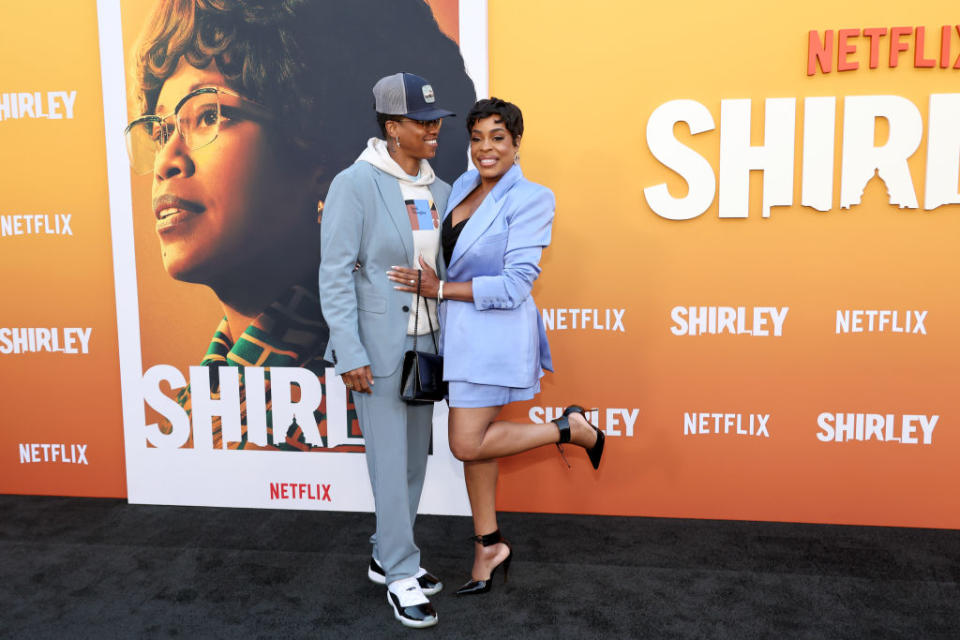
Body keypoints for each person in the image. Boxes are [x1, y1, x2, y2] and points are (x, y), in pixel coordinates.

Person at [123, 0, 474, 450]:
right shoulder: (200, 405)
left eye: (209, 115)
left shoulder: (348, 416)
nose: (166, 162)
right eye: (159, 130)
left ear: (321, 156)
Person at [388, 98, 605, 595]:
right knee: (477, 448)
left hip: (494, 337)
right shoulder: (463, 185)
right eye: (477, 138)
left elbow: (514, 286)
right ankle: (488, 545)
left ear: (516, 143)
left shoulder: (532, 198)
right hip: (457, 337)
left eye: (498, 138)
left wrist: (438, 290)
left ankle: (569, 428)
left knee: (466, 443)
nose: (486, 149)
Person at [319, 72, 455, 629]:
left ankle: (386, 551)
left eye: (435, 121)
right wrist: (349, 351)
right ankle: (401, 570)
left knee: (412, 458)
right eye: (421, 122)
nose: (433, 131)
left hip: (427, 342)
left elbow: (444, 268)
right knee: (388, 458)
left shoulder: (441, 190)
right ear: (392, 127)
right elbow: (335, 272)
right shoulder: (356, 183)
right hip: (376, 348)